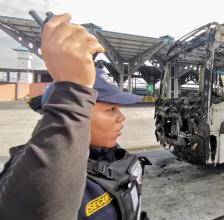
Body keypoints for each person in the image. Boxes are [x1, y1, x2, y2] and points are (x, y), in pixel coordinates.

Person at [0, 13, 149, 220]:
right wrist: (74, 91)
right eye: (111, 110)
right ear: (79, 112)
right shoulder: (35, 174)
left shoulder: (110, 158)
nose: (121, 118)